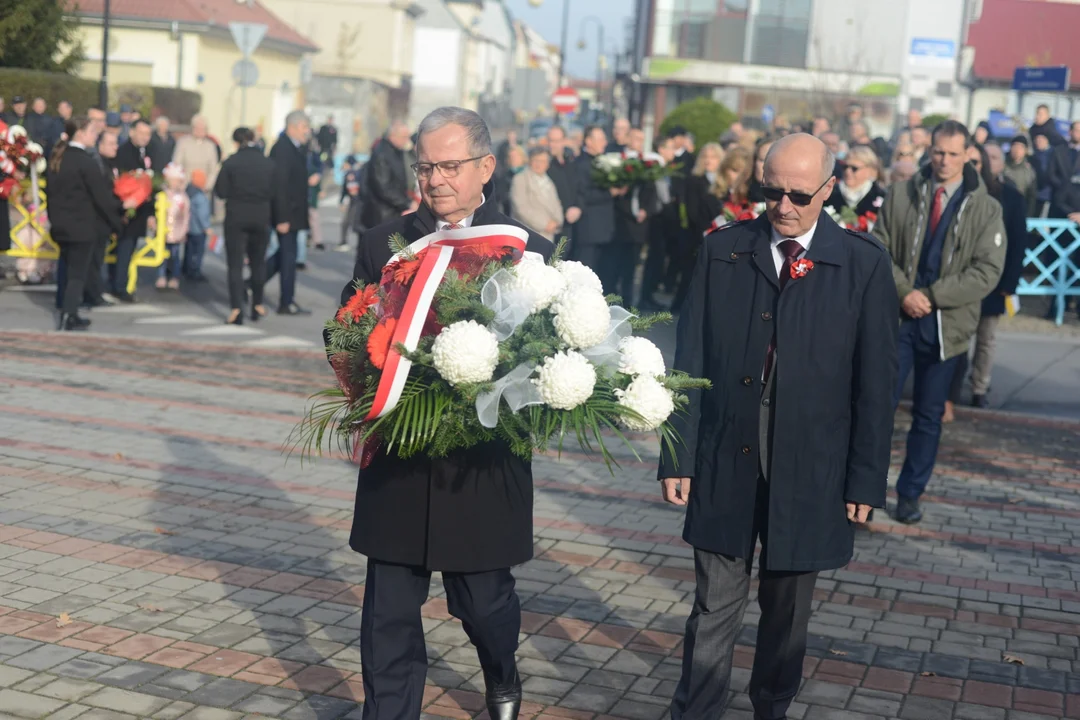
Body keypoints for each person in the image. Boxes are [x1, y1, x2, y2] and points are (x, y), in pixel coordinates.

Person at [660, 133, 898, 720]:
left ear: (828, 188)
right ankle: (697, 709)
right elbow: (687, 361)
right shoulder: (723, 250)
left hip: (811, 465)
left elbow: (876, 385)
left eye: (798, 194)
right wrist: (678, 455)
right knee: (714, 603)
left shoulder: (862, 263)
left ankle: (772, 706)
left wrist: (865, 481)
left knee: (787, 610)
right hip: (724, 455)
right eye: (771, 192)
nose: (784, 206)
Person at [341, 106, 552, 720]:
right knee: (389, 616)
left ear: (486, 166)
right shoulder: (384, 243)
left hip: (482, 467)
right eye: (425, 165)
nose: (435, 178)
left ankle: (502, 675)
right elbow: (345, 333)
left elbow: (544, 360)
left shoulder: (525, 253)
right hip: (400, 457)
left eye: (449, 166)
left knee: (484, 605)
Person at [873, 121, 1006, 524]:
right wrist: (904, 292)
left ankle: (910, 494)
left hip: (947, 327)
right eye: (938, 152)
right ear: (928, 151)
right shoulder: (900, 193)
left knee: (929, 417)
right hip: (898, 319)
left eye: (952, 153)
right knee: (878, 409)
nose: (944, 160)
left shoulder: (986, 206)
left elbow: (987, 271)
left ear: (968, 154)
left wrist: (931, 297)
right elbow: (878, 249)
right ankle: (864, 493)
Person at [946, 143, 1027, 418]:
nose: (982, 165)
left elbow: (1018, 243)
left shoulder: (1012, 198)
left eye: (991, 159)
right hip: (961, 279)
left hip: (995, 280)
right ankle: (950, 390)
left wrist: (1010, 284)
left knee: (986, 339)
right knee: (957, 336)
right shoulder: (960, 194)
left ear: (999, 164)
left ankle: (980, 387)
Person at [45, 115, 127, 330]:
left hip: (61, 224)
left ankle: (64, 306)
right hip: (81, 226)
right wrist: (118, 222)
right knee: (77, 275)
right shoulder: (85, 162)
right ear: (80, 133)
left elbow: (51, 194)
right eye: (92, 131)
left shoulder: (58, 158)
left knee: (66, 266)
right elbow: (102, 198)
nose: (95, 135)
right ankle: (69, 316)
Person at [214, 127, 275, 324]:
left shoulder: (231, 163)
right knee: (258, 262)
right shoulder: (267, 164)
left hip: (236, 217)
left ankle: (236, 309)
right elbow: (276, 192)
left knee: (235, 265)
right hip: (261, 217)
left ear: (236, 142)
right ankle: (257, 303)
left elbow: (221, 191)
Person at [265, 110, 313, 316]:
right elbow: (280, 186)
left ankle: (251, 283)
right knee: (287, 258)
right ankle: (286, 302)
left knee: (285, 255)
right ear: (293, 126)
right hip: (287, 214)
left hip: (294, 212)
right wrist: (282, 217)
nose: (307, 132)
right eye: (305, 127)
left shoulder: (296, 148)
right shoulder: (282, 148)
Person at [111, 119, 157, 301]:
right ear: (132, 132)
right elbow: (122, 180)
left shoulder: (148, 151)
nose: (145, 137)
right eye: (141, 133)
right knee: (124, 247)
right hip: (126, 208)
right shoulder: (124, 152)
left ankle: (120, 284)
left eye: (148, 134)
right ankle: (119, 286)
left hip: (140, 209)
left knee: (128, 249)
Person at [572, 125, 624, 285]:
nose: (604, 142)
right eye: (600, 139)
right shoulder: (582, 164)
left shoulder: (602, 160)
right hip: (590, 228)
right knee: (586, 274)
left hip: (604, 227)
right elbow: (583, 195)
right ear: (588, 141)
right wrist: (610, 193)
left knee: (602, 274)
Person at [174, 114, 219, 279]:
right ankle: (180, 265)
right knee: (183, 228)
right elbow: (177, 164)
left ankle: (195, 267)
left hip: (203, 191)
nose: (200, 131)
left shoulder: (210, 146)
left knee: (200, 230)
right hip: (185, 190)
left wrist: (207, 186)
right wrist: (183, 185)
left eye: (203, 128)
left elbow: (214, 168)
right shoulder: (183, 143)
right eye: (197, 128)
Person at [641, 135, 678, 310]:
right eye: (670, 147)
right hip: (656, 219)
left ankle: (648, 295)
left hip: (660, 219)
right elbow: (662, 195)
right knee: (654, 259)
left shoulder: (661, 166)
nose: (674, 152)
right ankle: (644, 297)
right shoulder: (655, 166)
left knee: (656, 259)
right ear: (661, 149)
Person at [361, 121, 414, 231]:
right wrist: (406, 203)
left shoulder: (396, 151)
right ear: (393, 135)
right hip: (382, 213)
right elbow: (383, 186)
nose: (406, 141)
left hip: (392, 210)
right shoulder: (382, 153)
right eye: (404, 137)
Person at [510, 147, 563, 242]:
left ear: (547, 164)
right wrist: (544, 224)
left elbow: (557, 204)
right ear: (530, 161)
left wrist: (557, 222)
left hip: (549, 235)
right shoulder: (520, 179)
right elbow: (520, 208)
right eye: (536, 160)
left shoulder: (549, 182)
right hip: (529, 234)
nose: (539, 164)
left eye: (543, 161)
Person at [826, 145, 887, 222]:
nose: (848, 171)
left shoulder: (881, 196)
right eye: (845, 167)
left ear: (869, 170)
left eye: (854, 168)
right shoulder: (830, 193)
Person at [155, 163, 190, 290]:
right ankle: (161, 276)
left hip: (177, 232)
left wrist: (184, 230)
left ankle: (174, 277)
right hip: (162, 232)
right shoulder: (161, 195)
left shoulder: (183, 197)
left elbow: (186, 215)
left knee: (175, 256)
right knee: (161, 256)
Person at [684, 142, 727, 240]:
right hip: (702, 233)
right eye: (705, 157)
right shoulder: (694, 180)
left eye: (713, 157)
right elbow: (692, 212)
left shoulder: (725, 181)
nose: (708, 161)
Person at [544, 125, 579, 232]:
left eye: (556, 141)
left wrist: (578, 207)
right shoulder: (545, 164)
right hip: (554, 224)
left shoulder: (572, 162)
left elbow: (579, 188)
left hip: (574, 222)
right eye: (550, 141)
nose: (551, 145)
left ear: (564, 141)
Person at [1047, 120, 1080, 224]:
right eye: (1077, 130)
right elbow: (1050, 174)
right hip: (1059, 203)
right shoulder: (1058, 151)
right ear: (1070, 132)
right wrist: (1064, 187)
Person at [1003, 135, 1037, 216]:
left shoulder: (1029, 171)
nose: (1017, 150)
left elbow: (1032, 196)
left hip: (1020, 211)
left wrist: (1028, 215)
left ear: (1025, 150)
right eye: (1015, 146)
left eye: (1020, 147)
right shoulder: (1002, 167)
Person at [339, 157, 364, 253]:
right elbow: (344, 190)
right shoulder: (348, 174)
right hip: (352, 201)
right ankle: (343, 242)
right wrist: (341, 201)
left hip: (358, 202)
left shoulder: (357, 173)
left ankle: (359, 244)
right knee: (346, 222)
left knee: (355, 223)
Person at [498, 145, 527, 216]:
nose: (513, 159)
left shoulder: (529, 173)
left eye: (516, 156)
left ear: (522, 157)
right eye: (510, 157)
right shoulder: (504, 177)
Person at [1031, 132, 1054, 217]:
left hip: (1048, 193)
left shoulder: (1053, 154)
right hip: (1035, 193)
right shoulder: (1033, 155)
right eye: (1036, 140)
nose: (1038, 142)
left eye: (1041, 140)